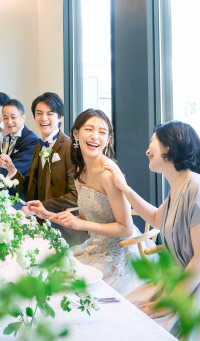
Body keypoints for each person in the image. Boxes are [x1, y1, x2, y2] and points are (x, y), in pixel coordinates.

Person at [106, 121, 200, 340]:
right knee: (117, 316)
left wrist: (172, 302)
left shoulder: (198, 188)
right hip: (178, 283)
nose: (147, 150)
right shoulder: (179, 187)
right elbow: (155, 219)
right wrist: (125, 188)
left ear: (169, 147)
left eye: (152, 142)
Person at [31, 109, 142, 295]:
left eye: (102, 132)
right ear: (76, 133)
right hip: (94, 247)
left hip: (119, 254)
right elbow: (84, 219)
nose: (95, 137)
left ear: (108, 139)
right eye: (89, 129)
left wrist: (80, 223)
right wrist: (48, 214)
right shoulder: (79, 170)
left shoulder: (108, 173)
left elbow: (126, 229)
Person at [0, 92, 77, 215]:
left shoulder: (70, 147)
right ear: (34, 117)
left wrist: (41, 207)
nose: (43, 118)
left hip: (60, 223)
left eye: (49, 113)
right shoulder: (38, 147)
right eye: (39, 113)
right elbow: (28, 190)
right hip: (37, 221)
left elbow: (76, 196)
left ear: (60, 117)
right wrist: (11, 169)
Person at [0, 99, 40, 187]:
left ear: (23, 117)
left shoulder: (32, 141)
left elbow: (13, 169)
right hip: (2, 187)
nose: (9, 122)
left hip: (19, 192)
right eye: (5, 118)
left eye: (13, 117)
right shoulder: (6, 139)